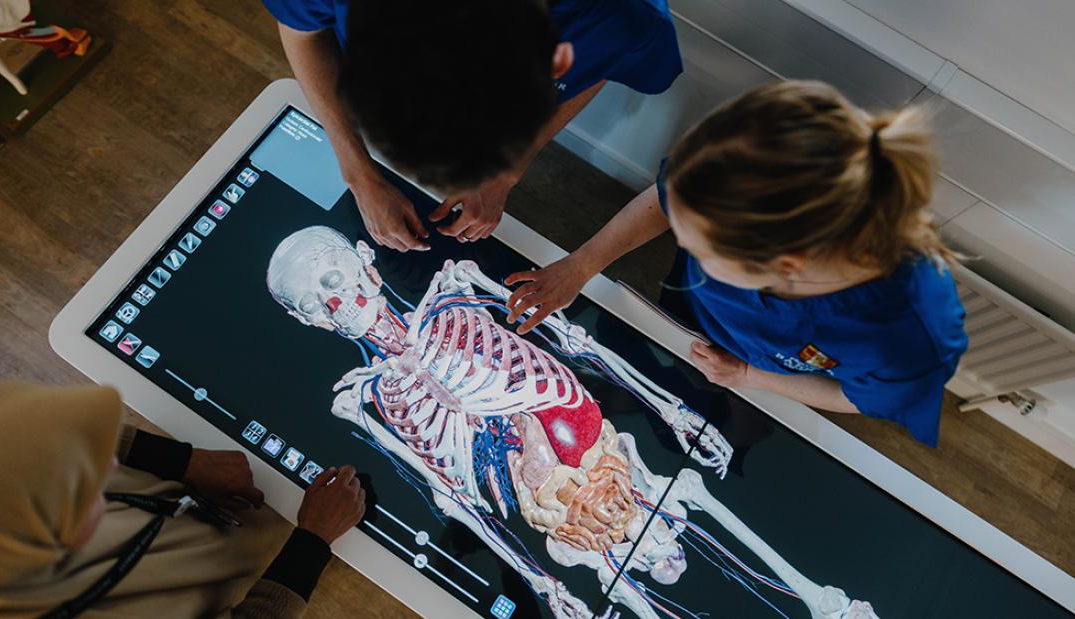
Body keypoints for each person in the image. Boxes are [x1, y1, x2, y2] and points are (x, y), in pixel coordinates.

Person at [503, 80, 968, 447]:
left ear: (784, 266)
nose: (680, 240)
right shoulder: (744, 155)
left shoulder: (907, 345)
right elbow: (669, 201)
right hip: (695, 320)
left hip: (763, 371)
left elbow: (858, 398)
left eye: (701, 248)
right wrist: (581, 265)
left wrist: (752, 377)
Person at [265, 0, 683, 251]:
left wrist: (507, 169)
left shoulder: (624, 18)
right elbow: (303, 33)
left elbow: (609, 57)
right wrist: (358, 173)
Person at [0, 380, 366, 617]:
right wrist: (312, 542)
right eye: (79, 484)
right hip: (253, 563)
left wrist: (179, 460)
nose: (109, 467)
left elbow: (59, 431)